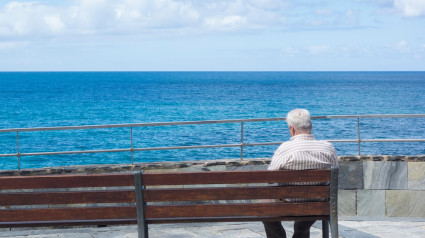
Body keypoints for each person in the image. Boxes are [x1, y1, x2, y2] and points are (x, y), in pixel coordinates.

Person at [262, 108, 338, 238]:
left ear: (291, 129)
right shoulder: (328, 148)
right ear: (311, 126)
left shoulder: (284, 149)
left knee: (263, 205)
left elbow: (269, 178)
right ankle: (300, 233)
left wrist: (277, 157)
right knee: (311, 200)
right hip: (319, 205)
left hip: (288, 204)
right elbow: (335, 174)